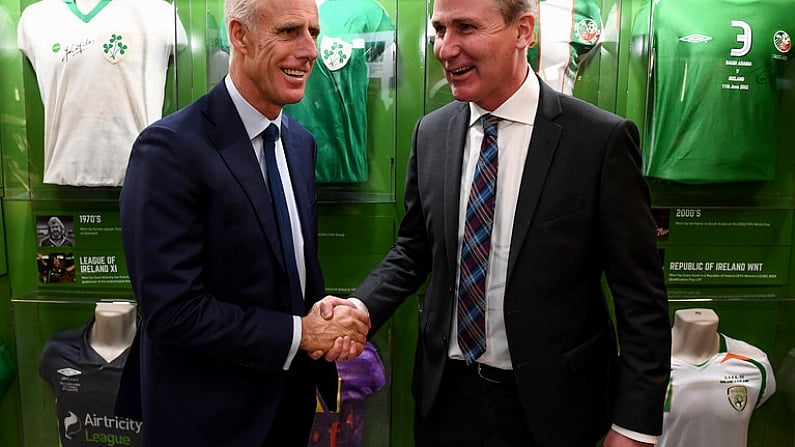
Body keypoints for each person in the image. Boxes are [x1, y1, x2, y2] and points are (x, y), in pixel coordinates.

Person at [325, 0, 671, 446]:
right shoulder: (430, 134)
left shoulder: (599, 141)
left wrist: (634, 425)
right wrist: (361, 308)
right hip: (445, 401)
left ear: (523, 30)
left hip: (555, 410)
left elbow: (640, 299)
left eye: (465, 28)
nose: (446, 49)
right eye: (440, 29)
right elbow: (414, 249)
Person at [115, 0, 371, 445]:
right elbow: (171, 314)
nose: (310, 49)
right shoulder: (169, 149)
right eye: (290, 31)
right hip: (207, 419)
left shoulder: (299, 142)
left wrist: (322, 316)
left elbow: (285, 268)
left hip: (287, 408)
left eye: (313, 31)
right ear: (239, 35)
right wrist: (300, 332)